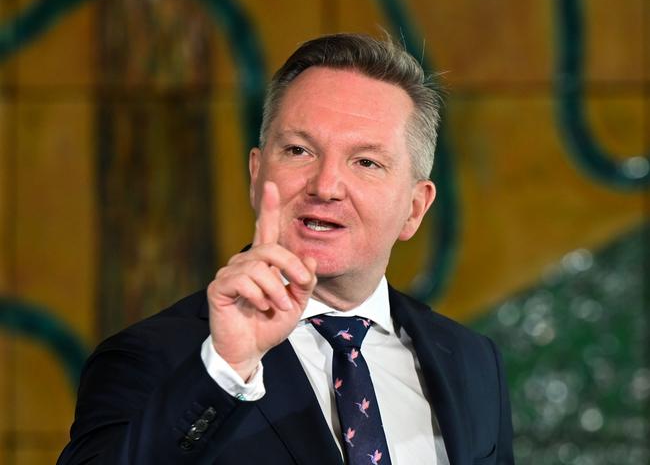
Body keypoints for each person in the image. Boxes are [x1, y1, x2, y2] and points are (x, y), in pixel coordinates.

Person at [58, 33, 513, 465]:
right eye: (299, 151)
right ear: (257, 175)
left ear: (415, 208)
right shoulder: (155, 356)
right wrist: (228, 369)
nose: (326, 186)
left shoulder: (473, 361)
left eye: (366, 162)